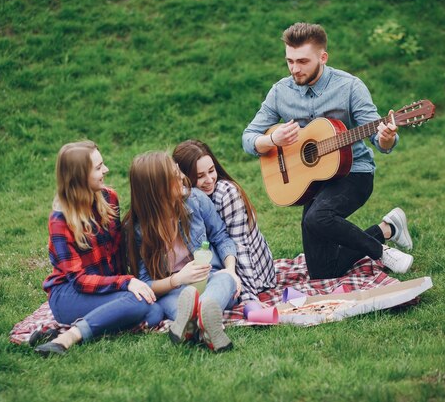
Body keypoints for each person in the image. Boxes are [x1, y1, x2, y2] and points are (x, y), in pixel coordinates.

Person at [242, 22, 414, 280]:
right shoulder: (280, 91)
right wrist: (272, 140)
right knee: (323, 271)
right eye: (289, 61)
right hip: (311, 181)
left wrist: (387, 136)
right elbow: (248, 138)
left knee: (317, 217)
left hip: (353, 173)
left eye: (302, 61)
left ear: (323, 57)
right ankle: (388, 228)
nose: (294, 69)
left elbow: (381, 142)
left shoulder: (350, 87)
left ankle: (382, 252)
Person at [35, 141, 163, 356]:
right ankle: (67, 339)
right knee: (140, 303)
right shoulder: (60, 220)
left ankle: (60, 333)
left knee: (154, 312)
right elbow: (79, 280)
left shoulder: (109, 197)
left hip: (106, 287)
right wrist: (126, 282)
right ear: (79, 176)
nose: (106, 170)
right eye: (98, 167)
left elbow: (118, 252)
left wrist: (129, 280)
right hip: (69, 294)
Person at [124, 151, 241, 352]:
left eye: (176, 169)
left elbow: (221, 237)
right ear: (156, 188)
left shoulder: (195, 199)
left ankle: (195, 321)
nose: (180, 176)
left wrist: (230, 270)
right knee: (182, 298)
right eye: (172, 175)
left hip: (210, 278)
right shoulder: (137, 229)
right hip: (172, 290)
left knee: (225, 281)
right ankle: (206, 325)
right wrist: (178, 279)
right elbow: (144, 283)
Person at [173, 139, 276, 304]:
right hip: (216, 269)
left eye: (211, 170)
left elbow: (239, 245)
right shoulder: (187, 199)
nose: (209, 179)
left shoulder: (225, 193)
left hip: (254, 273)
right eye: (200, 176)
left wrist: (248, 297)